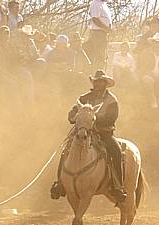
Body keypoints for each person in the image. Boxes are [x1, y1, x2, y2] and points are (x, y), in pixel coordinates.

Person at [51, 70, 126, 203]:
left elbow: (111, 119)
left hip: (104, 133)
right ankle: (60, 184)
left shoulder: (112, 100)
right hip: (83, 132)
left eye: (100, 82)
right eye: (96, 81)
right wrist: (75, 117)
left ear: (105, 84)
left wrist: (92, 120)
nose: (98, 84)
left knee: (116, 152)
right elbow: (73, 112)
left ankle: (118, 186)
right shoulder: (84, 98)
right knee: (65, 151)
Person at [85, 0, 112, 70]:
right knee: (98, 56)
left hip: (103, 34)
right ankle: (96, 74)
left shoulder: (103, 4)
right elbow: (94, 19)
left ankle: (100, 72)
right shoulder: (95, 3)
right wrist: (106, 28)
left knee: (102, 56)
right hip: (97, 34)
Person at [138, 32, 159, 109]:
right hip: (148, 75)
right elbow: (142, 67)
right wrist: (152, 75)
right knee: (147, 80)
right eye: (156, 42)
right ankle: (153, 99)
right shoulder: (146, 52)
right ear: (153, 43)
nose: (158, 44)